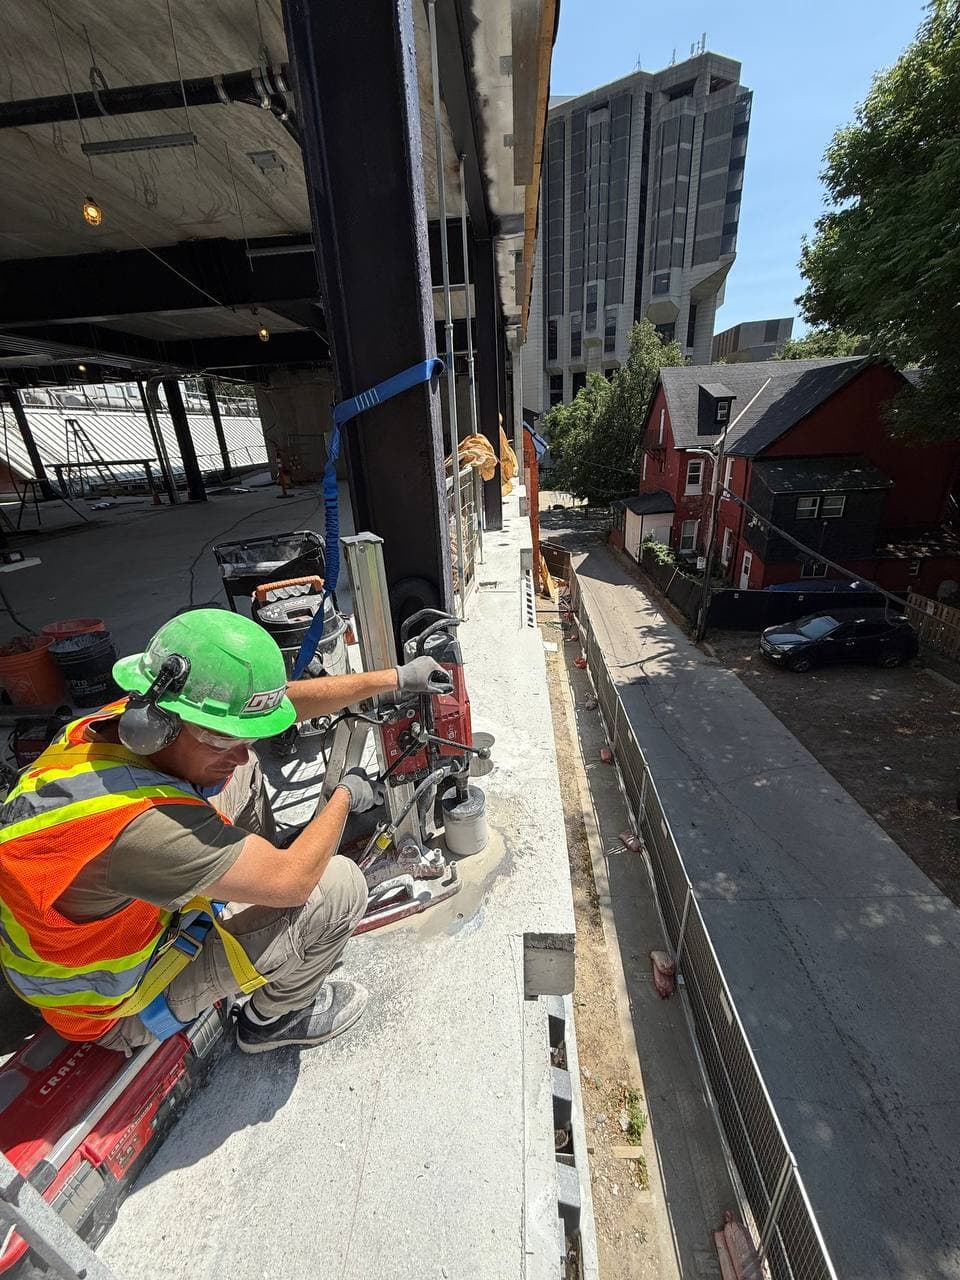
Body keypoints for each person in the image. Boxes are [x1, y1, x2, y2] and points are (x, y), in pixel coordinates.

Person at [0, 609, 450, 1055]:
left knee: (243, 774)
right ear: (158, 729)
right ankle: (272, 1020)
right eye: (222, 740)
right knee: (338, 887)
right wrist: (346, 795)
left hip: (116, 917)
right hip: (115, 1006)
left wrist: (395, 677)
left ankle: (245, 886)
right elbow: (294, 883)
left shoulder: (134, 717)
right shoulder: (138, 826)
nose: (237, 754)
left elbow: (281, 704)